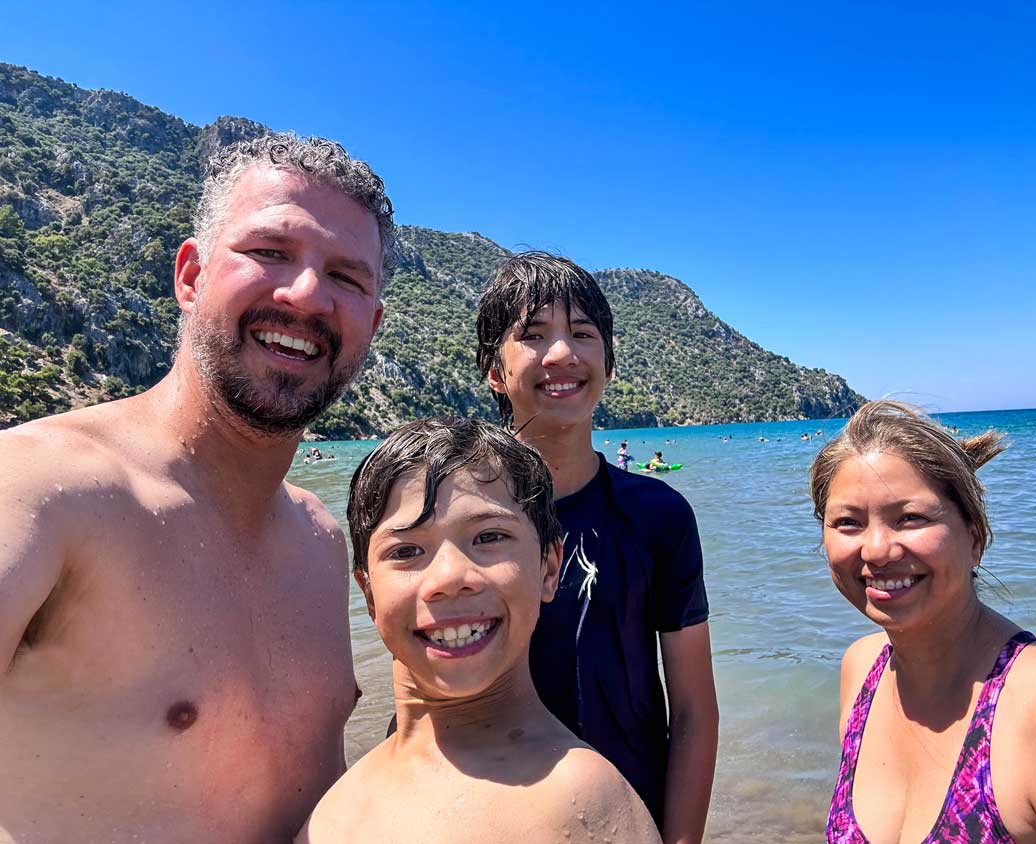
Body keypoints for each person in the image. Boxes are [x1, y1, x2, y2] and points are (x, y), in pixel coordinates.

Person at [0, 133, 394, 843]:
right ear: (190, 275)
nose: (305, 293)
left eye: (346, 276)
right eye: (270, 251)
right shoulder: (41, 488)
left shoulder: (321, 538)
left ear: (372, 322)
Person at [298, 417, 660, 843]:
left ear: (548, 566)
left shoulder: (579, 799)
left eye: (489, 537)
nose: (450, 577)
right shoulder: (335, 808)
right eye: (407, 550)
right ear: (370, 593)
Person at [475, 252, 718, 842]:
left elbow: (693, 711)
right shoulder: (458, 513)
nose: (563, 354)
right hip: (489, 815)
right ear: (493, 370)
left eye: (583, 334)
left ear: (607, 361)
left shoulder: (658, 516)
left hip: (628, 819)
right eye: (533, 335)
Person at [811, 400, 1036, 844]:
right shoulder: (861, 670)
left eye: (911, 518)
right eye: (848, 522)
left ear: (974, 538)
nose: (876, 550)